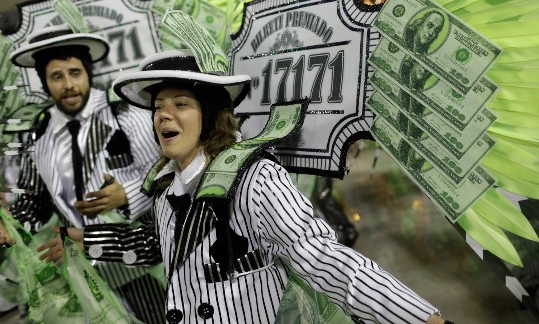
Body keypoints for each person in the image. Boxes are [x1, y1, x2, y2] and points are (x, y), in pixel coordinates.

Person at [61, 23, 453, 323]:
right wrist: (89, 238)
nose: (164, 114)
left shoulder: (255, 179)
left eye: (181, 103)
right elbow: (161, 246)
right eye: (158, 106)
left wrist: (416, 316)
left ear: (212, 116)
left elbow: (322, 258)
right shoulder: (166, 187)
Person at [0, 24, 165, 323]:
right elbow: (36, 201)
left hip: (137, 262)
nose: (69, 85)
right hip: (80, 267)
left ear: (88, 73)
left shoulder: (124, 115)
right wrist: (11, 223)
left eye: (75, 73)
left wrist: (126, 194)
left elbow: (166, 173)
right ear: (45, 82)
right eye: (57, 77)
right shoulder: (40, 133)